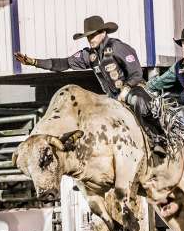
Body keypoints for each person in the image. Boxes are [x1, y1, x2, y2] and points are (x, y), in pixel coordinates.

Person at [14, 15, 167, 154]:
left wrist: (126, 90)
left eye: (93, 35)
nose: (90, 39)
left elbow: (136, 73)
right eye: (88, 36)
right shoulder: (90, 55)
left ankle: (159, 138)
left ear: (103, 33)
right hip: (111, 97)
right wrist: (34, 62)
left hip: (133, 89)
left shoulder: (117, 47)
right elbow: (64, 63)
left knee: (137, 101)